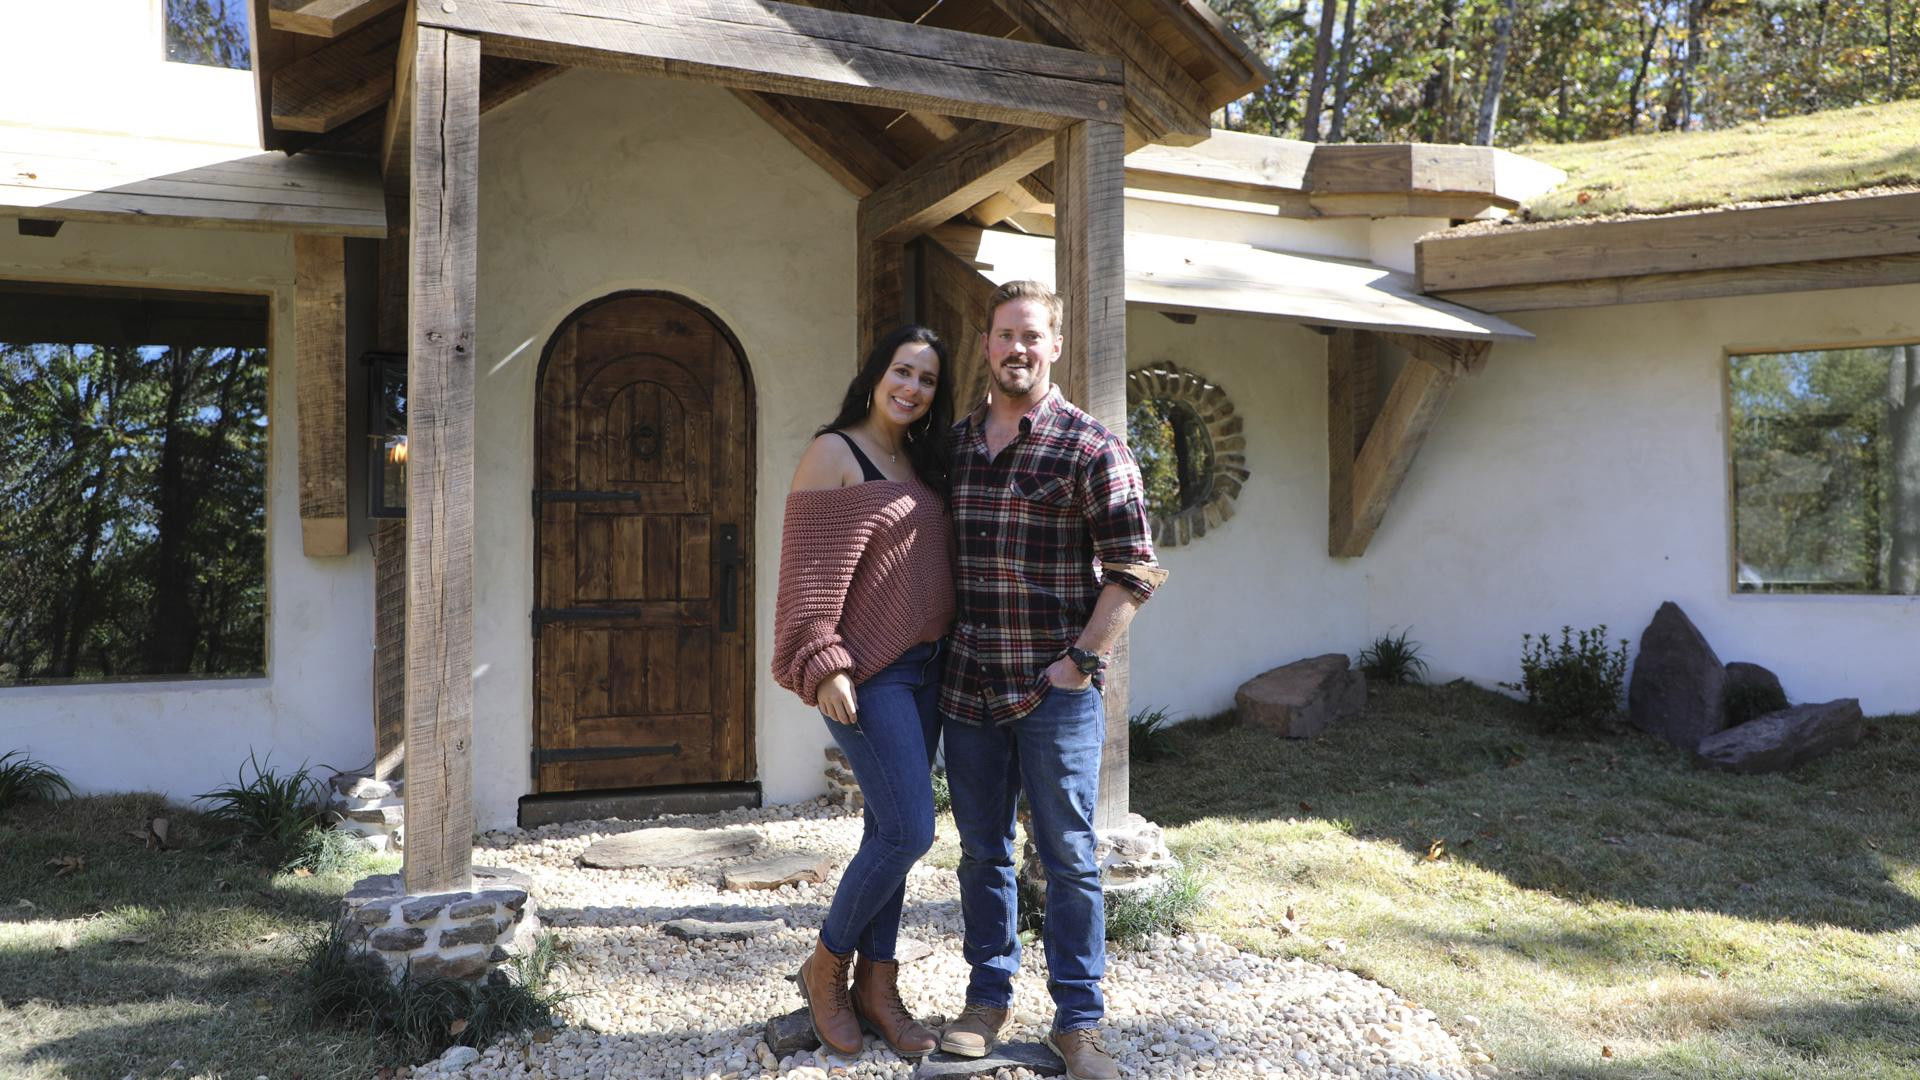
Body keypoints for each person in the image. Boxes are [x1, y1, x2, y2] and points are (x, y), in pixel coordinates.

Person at [937, 281, 1166, 1080]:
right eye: (1004, 335)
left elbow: (1135, 568)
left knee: (1068, 855)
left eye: (1031, 335)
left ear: (1055, 345)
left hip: (1054, 693)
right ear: (987, 344)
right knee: (981, 854)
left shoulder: (1091, 445)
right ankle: (987, 999)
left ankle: (1079, 1021)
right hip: (967, 688)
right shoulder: (958, 445)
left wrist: (1081, 663)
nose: (1017, 349)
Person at [771, 324, 957, 1060]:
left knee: (888, 834)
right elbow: (805, 577)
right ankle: (825, 966)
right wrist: (826, 662)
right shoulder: (833, 453)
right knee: (912, 830)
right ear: (876, 374)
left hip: (929, 669)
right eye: (902, 372)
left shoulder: (917, 458)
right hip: (869, 672)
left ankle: (878, 992)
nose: (912, 388)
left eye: (927, 379)